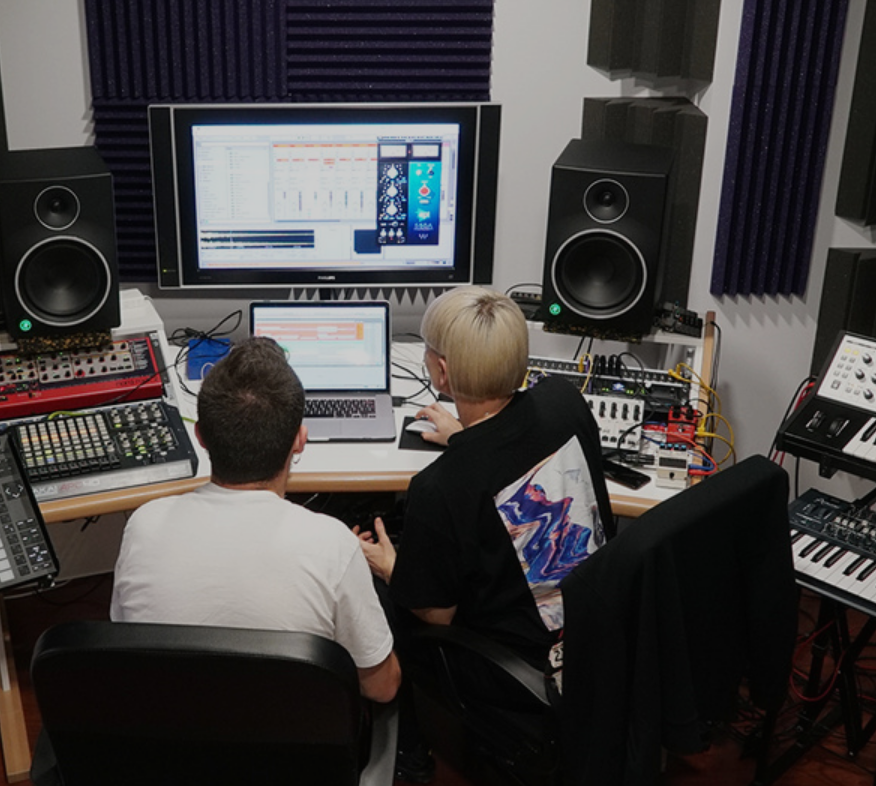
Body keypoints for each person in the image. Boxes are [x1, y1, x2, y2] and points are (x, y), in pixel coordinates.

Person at [110, 336, 401, 703]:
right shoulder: (333, 545)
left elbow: (126, 647)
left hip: (170, 732)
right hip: (293, 738)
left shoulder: (143, 526)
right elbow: (382, 689)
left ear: (200, 437)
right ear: (300, 440)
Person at [356, 285, 612, 677]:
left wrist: (391, 566)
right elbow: (509, 448)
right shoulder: (565, 400)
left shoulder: (439, 486)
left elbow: (437, 616)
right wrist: (466, 437)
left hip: (527, 670)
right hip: (598, 632)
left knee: (375, 592)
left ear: (442, 372)